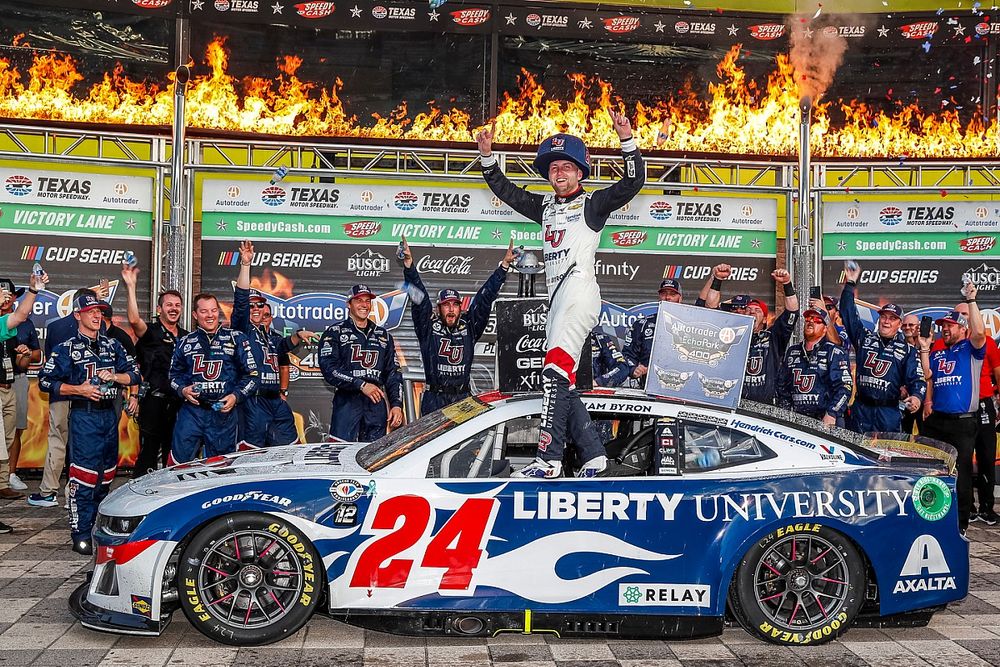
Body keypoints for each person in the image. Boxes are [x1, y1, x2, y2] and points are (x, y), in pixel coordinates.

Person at [477, 111, 644, 478]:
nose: (559, 173)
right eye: (553, 168)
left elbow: (633, 182)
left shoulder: (592, 204)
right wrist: (487, 156)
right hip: (557, 300)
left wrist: (626, 138)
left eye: (567, 166)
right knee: (563, 380)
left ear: (580, 172)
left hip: (579, 292)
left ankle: (548, 460)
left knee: (553, 372)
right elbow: (507, 192)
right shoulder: (546, 207)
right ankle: (594, 455)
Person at [38, 293, 140, 555]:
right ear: (77, 315)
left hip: (110, 416)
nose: (96, 316)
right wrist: (78, 390)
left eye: (99, 311)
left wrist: (116, 377)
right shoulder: (66, 347)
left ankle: (98, 528)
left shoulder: (112, 345)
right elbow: (45, 381)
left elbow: (135, 374)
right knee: (83, 478)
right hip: (84, 416)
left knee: (106, 476)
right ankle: (80, 532)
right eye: (91, 311)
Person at [400, 236, 512, 415]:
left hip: (462, 398)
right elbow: (420, 300)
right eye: (446, 305)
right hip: (434, 398)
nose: (451, 309)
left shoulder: (470, 326)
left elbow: (484, 299)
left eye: (455, 305)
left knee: (467, 436)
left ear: (461, 308)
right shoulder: (428, 328)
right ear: (438, 309)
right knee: (432, 436)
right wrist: (409, 266)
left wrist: (503, 267)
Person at [232, 241, 317, 446]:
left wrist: (298, 335)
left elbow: (283, 346)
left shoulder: (269, 335)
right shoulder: (242, 330)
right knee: (252, 452)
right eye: (251, 306)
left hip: (275, 400)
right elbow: (241, 301)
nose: (255, 309)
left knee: (290, 448)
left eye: (259, 305)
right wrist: (245, 265)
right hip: (253, 400)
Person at [29, 285, 104, 507]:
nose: (95, 314)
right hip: (82, 392)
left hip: (64, 391)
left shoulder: (55, 326)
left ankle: (48, 492)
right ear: (79, 310)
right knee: (82, 442)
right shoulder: (95, 327)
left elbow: (50, 361)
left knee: (58, 439)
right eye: (91, 308)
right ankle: (76, 493)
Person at [919, 285, 986, 534]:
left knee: (962, 473)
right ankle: (933, 518)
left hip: (963, 422)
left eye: (950, 325)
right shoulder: (938, 352)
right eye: (943, 325)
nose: (944, 329)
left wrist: (971, 300)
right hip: (937, 420)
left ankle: (960, 525)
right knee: (931, 470)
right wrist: (924, 347)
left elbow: (980, 332)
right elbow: (928, 375)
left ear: (962, 328)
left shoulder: (971, 349)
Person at [169, 293, 258, 463]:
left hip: (221, 409)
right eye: (204, 311)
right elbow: (173, 376)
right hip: (193, 410)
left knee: (220, 466)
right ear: (195, 315)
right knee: (179, 463)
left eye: (214, 310)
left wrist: (236, 396)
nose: (210, 315)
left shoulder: (236, 338)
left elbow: (253, 376)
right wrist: (183, 389)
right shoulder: (185, 342)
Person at [839, 265, 925, 434]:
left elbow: (918, 379)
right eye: (884, 317)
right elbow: (847, 313)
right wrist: (850, 283)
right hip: (861, 409)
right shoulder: (864, 338)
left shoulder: (907, 350)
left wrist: (916, 397)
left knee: (886, 449)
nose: (886, 321)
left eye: (892, 318)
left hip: (889, 412)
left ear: (899, 324)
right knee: (856, 447)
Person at [122, 264, 187, 476]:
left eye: (177, 305)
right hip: (154, 402)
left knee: (174, 454)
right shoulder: (151, 332)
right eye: (169, 305)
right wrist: (131, 286)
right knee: (148, 453)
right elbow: (134, 320)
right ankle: (141, 492)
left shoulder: (187, 336)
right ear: (159, 309)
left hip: (179, 404)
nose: (173, 309)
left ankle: (171, 491)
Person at [940, 300, 1000, 526]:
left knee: (986, 456)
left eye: (966, 314)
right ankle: (966, 507)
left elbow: (998, 371)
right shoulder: (942, 344)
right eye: (958, 315)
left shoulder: (986, 342)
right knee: (961, 460)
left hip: (983, 404)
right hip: (957, 411)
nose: (962, 318)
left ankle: (987, 507)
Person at [318, 285, 404, 442]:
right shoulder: (334, 332)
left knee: (374, 452)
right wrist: (361, 385)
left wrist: (397, 404)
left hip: (376, 403)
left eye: (367, 301)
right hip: (347, 401)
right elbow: (329, 369)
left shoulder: (384, 335)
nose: (364, 305)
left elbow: (393, 373)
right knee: (340, 450)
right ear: (349, 304)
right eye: (359, 300)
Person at [623, 266, 727, 388]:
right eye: (664, 294)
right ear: (659, 297)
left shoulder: (690, 322)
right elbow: (628, 354)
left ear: (680, 298)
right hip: (649, 385)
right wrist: (634, 369)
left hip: (683, 386)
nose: (667, 298)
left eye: (672, 294)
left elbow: (703, 304)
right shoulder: (643, 324)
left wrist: (714, 278)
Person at [707, 269, 798, 405]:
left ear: (765, 319)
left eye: (757, 310)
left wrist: (787, 284)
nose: (752, 312)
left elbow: (792, 312)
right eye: (748, 310)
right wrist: (717, 280)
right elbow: (711, 308)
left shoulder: (773, 337)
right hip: (734, 402)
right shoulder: (731, 336)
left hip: (766, 406)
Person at [0, 272, 48, 503]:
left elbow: (19, 316)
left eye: (7, 294)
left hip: (9, 385)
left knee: (7, 439)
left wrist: (34, 290)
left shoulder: (7, 324)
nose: (5, 297)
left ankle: (2, 482)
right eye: (1, 293)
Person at [778, 307, 853, 426]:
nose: (811, 322)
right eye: (808, 319)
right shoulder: (792, 351)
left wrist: (832, 413)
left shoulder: (834, 352)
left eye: (817, 320)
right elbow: (782, 385)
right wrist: (785, 411)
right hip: (797, 419)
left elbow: (845, 387)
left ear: (825, 329)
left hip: (825, 419)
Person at [6, 280, 41, 491]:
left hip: (17, 378)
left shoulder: (25, 323)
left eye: (9, 294)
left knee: (16, 428)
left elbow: (37, 354)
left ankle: (10, 474)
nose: (6, 298)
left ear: (14, 297)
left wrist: (25, 352)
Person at [900, 313, 925, 435]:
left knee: (925, 437)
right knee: (903, 436)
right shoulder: (898, 346)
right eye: (904, 325)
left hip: (924, 399)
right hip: (904, 399)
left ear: (918, 326)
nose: (907, 327)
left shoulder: (928, 345)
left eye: (911, 325)